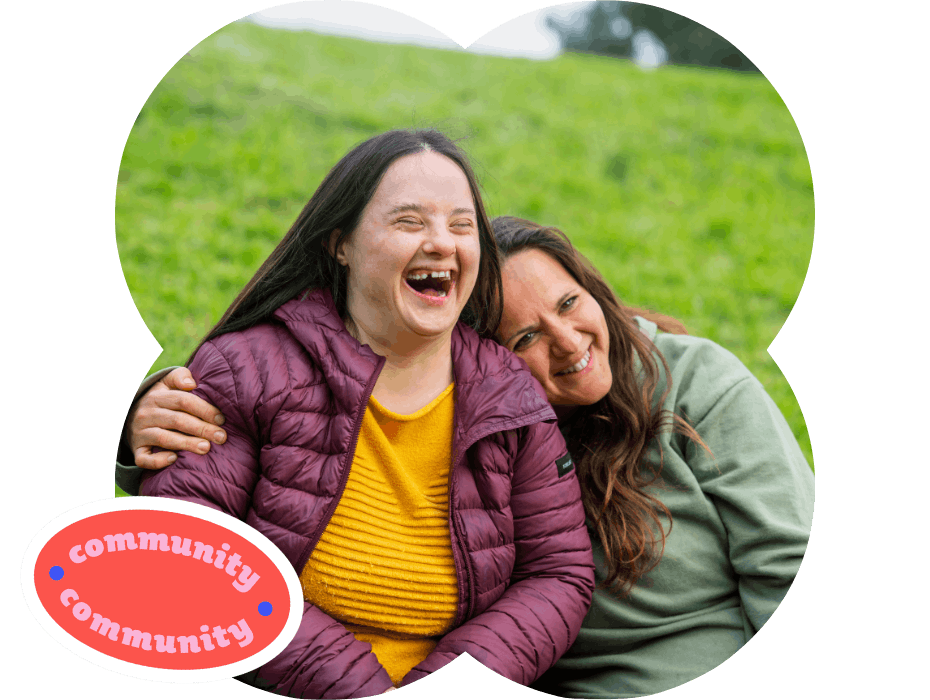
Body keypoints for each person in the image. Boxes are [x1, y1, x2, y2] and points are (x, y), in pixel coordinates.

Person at [120, 212, 814, 696]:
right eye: (525, 339)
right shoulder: (482, 430)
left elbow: (789, 568)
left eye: (571, 304)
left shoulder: (695, 379)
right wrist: (145, 415)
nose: (568, 341)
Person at [121, 131, 595, 699]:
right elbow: (189, 554)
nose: (442, 243)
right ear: (339, 242)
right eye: (410, 222)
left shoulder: (511, 396)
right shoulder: (247, 368)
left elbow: (557, 576)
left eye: (461, 225)